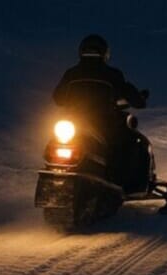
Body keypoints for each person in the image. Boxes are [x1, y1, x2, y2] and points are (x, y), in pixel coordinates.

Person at [53, 34, 152, 193]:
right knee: (134, 141)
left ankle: (117, 181)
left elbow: (58, 98)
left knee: (131, 141)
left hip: (75, 123)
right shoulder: (112, 74)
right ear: (105, 53)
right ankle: (127, 185)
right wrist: (138, 99)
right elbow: (132, 96)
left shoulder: (72, 73)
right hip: (101, 123)